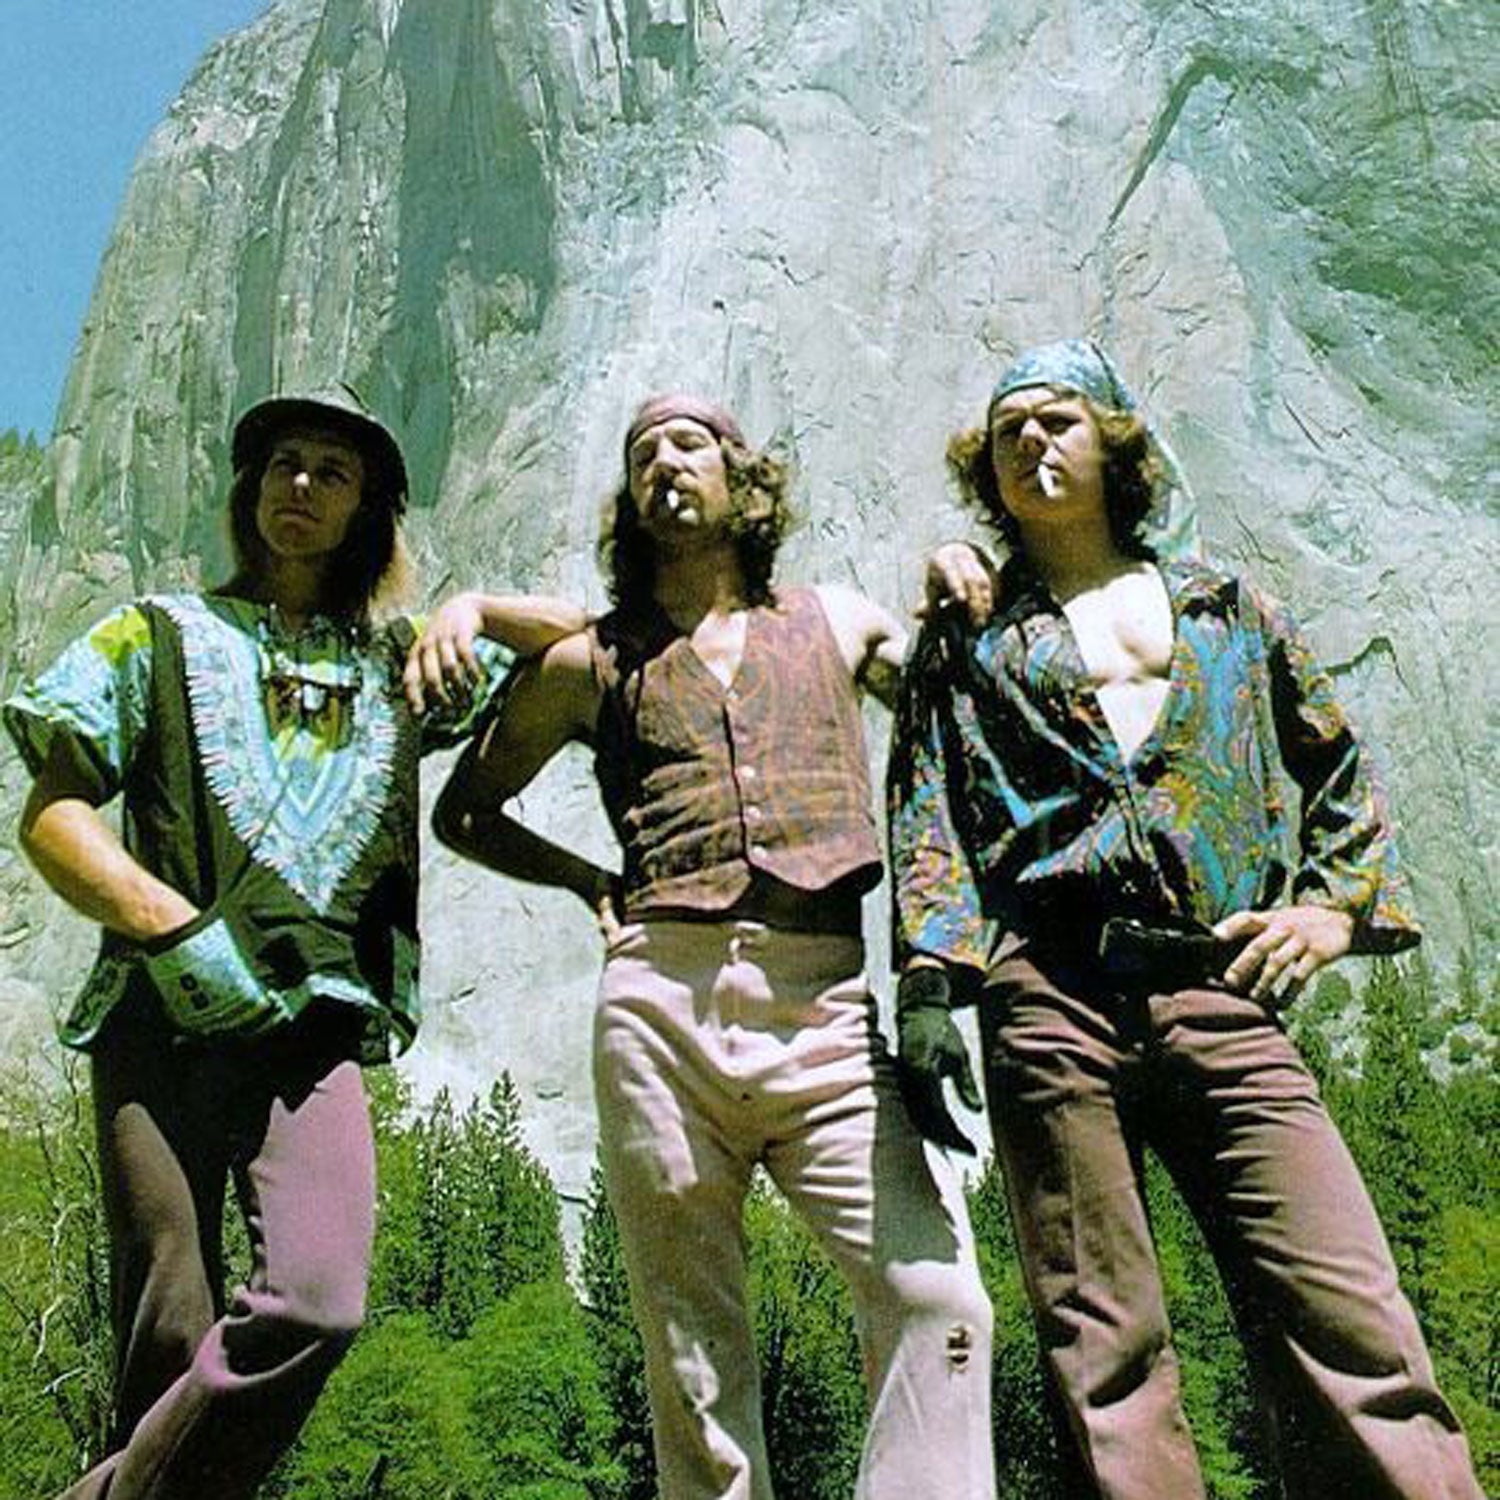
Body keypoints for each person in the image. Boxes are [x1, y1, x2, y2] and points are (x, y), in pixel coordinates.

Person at [887, 338, 1482, 1499]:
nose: (1030, 444)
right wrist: (927, 986)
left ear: (1115, 442)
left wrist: (1331, 912)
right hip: (1049, 999)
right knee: (1103, 1344)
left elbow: (1338, 764)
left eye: (1056, 420)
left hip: (1223, 985)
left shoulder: (1225, 606)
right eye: (1007, 430)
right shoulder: (968, 633)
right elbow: (927, 807)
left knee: (1351, 1310)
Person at [4, 386, 584, 1500]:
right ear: (249, 490)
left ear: (372, 508)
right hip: (160, 1021)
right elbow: (55, 813)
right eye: (283, 466)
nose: (302, 487)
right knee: (167, 1328)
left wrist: (474, 611)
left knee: (319, 1299)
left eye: (333, 470)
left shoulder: (402, 668)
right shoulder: (157, 634)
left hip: (315, 1034)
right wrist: (167, 922)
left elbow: (603, 647)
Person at [423, 393, 997, 1500]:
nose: (664, 465)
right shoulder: (593, 664)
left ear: (745, 479)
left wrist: (957, 561)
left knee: (941, 1300)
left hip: (827, 1009)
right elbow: (464, 812)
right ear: (630, 503)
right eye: (643, 455)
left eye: (688, 445)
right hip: (660, 1008)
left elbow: (943, 700)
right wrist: (588, 879)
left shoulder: (835, 619)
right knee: (692, 1353)